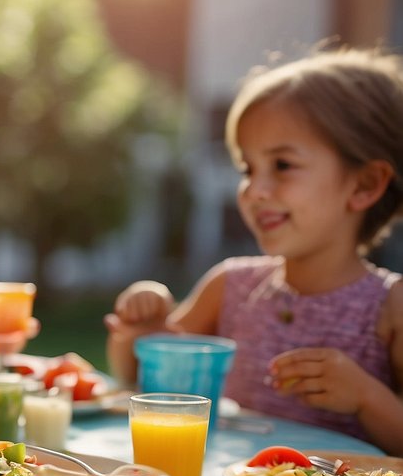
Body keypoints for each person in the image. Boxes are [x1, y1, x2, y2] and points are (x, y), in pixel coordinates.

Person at [106, 47, 403, 454]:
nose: (253, 190)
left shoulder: (391, 308)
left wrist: (368, 397)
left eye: (282, 165)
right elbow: (140, 378)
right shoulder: (231, 286)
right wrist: (139, 329)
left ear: (364, 185)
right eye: (248, 169)